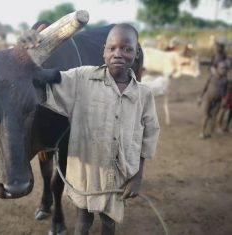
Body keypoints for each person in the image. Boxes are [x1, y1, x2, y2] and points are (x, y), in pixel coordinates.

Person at [41, 23, 160, 235]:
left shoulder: (144, 95)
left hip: (118, 176)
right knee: (82, 221)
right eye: (112, 48)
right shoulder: (81, 78)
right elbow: (50, 80)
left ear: (137, 53)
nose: (118, 54)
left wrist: (138, 176)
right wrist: (29, 56)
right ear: (103, 51)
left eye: (127, 49)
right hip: (85, 174)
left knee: (108, 222)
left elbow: (149, 136)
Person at [198, 60, 229, 138]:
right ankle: (202, 132)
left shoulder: (225, 80)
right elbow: (204, 87)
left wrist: (224, 100)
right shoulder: (211, 77)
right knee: (206, 115)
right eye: (222, 68)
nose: (224, 70)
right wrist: (200, 97)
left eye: (225, 69)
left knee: (213, 117)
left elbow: (225, 91)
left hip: (218, 101)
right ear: (217, 69)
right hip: (208, 99)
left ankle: (209, 132)